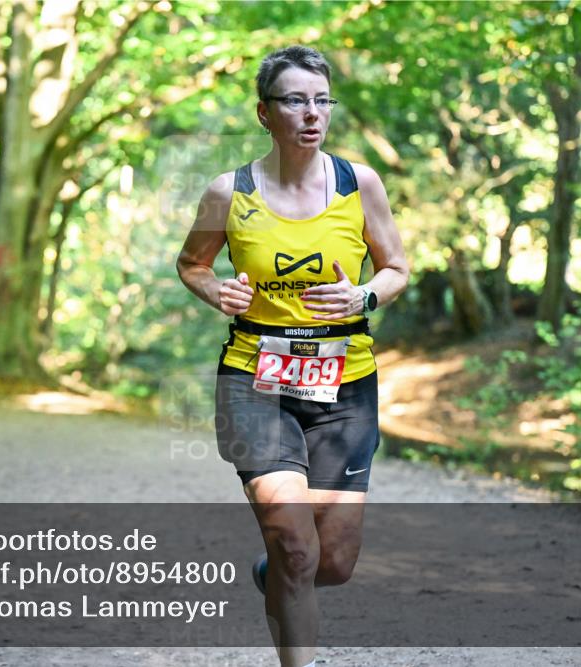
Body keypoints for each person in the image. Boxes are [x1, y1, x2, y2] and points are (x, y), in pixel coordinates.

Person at [176, 46, 409, 667]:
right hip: (255, 382)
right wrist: (215, 289)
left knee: (330, 563)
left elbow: (395, 269)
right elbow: (192, 263)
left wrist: (363, 294)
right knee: (295, 546)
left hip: (345, 387)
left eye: (321, 100)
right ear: (264, 113)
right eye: (295, 100)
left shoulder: (359, 184)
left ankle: (271, 572)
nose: (312, 113)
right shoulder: (229, 193)